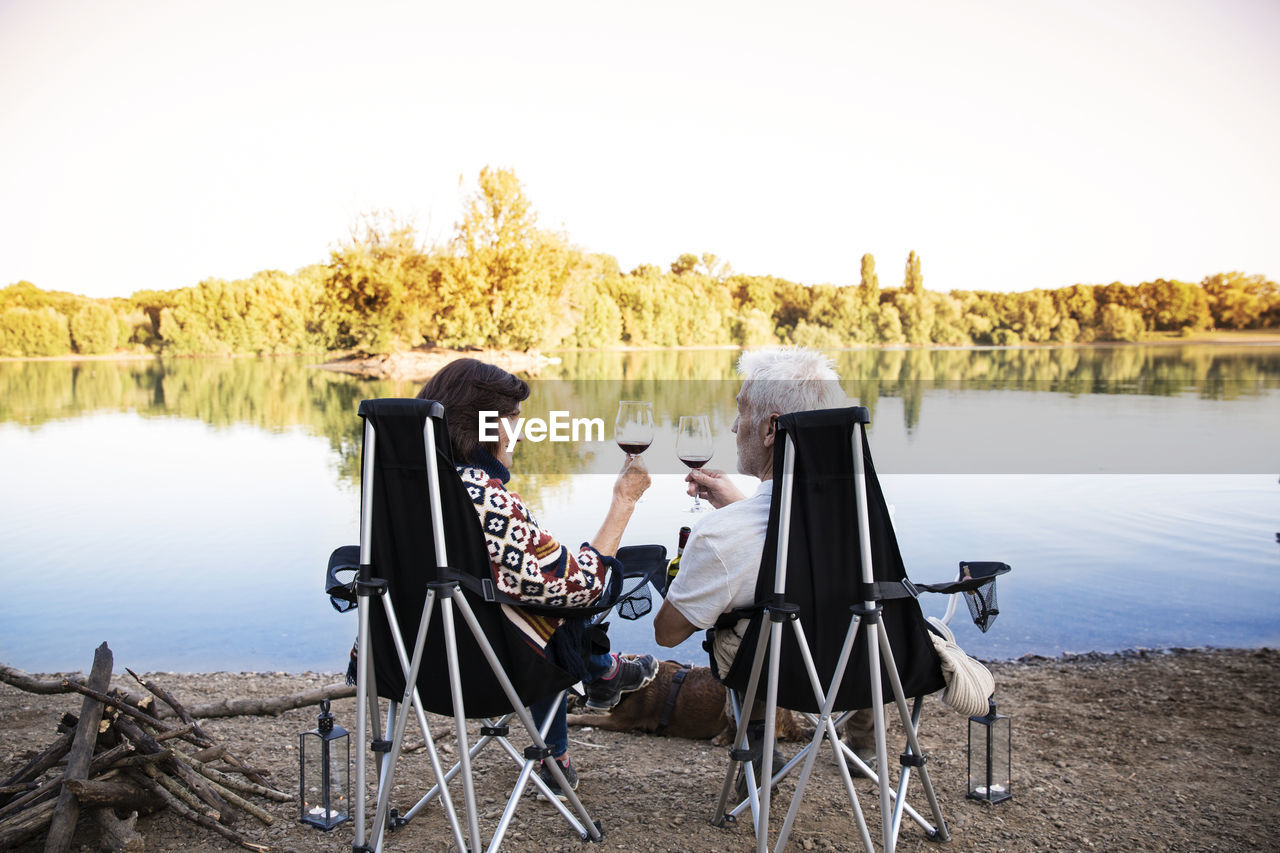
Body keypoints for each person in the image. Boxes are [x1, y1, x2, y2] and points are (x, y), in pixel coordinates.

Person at [418, 358, 659, 800]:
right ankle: (602, 671)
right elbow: (582, 585)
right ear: (485, 428)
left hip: (407, 665)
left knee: (524, 595)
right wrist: (624, 502)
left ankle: (581, 715)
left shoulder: (397, 490)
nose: (522, 436)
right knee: (559, 604)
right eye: (514, 425)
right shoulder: (484, 497)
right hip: (486, 673)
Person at [652, 347, 877, 761]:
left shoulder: (721, 536)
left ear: (772, 427)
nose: (736, 425)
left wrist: (707, 550)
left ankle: (759, 758)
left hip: (783, 676)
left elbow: (668, 634)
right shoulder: (871, 517)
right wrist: (739, 506)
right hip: (868, 669)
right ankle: (866, 746)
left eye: (741, 411)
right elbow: (792, 539)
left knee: (752, 629)